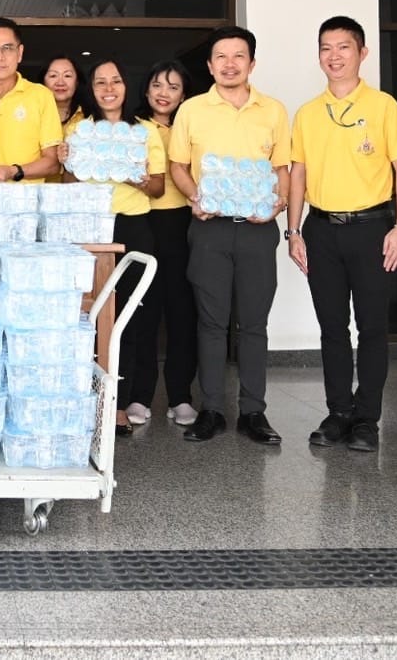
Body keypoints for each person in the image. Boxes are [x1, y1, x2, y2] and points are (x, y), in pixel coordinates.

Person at [286, 16, 397, 453]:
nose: (334, 56)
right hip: (321, 230)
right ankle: (339, 412)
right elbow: (298, 173)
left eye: (343, 47)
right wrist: (293, 231)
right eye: (326, 48)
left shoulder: (383, 107)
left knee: (372, 327)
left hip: (372, 230)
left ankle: (367, 419)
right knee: (332, 328)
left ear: (362, 53)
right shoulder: (308, 113)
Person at [167, 26, 290, 445]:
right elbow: (178, 166)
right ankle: (213, 410)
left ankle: (254, 411)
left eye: (239, 56)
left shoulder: (273, 111)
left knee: (254, 323)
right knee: (211, 323)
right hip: (210, 230)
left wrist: (278, 203)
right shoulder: (192, 110)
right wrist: (193, 197)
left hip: (257, 231)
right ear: (209, 65)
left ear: (252, 64)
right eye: (221, 56)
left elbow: (282, 168)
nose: (230, 64)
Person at [66, 60, 165, 432]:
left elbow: (158, 188)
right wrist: (69, 163)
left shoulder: (144, 131)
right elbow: (68, 183)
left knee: (129, 317)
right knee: (88, 316)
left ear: (127, 85)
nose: (109, 88)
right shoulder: (80, 130)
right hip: (90, 228)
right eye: (100, 82)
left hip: (133, 226)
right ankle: (88, 401)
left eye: (116, 81)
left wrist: (136, 177)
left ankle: (121, 403)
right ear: (91, 89)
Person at [139, 59, 201, 427]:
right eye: (158, 85)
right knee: (143, 311)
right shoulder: (132, 127)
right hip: (143, 221)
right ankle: (138, 395)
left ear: (184, 95)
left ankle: (180, 396)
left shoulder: (192, 127)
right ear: (146, 90)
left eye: (173, 87)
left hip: (183, 223)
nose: (164, 93)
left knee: (182, 311)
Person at [0, 17, 62, 183]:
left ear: (20, 53)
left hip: (27, 198)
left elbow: (52, 163)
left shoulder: (41, 95)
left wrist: (13, 171)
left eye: (7, 48)